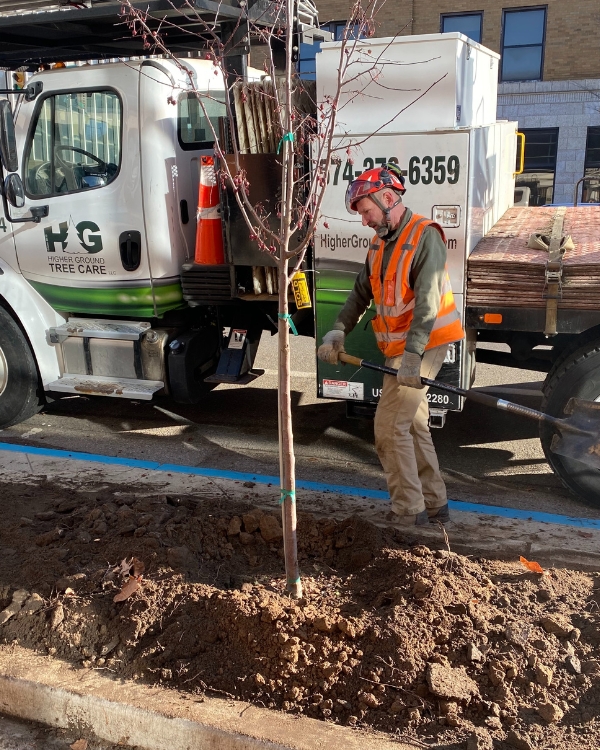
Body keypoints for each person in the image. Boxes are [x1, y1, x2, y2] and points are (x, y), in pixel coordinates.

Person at [317, 163, 464, 527]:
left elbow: (428, 303)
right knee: (412, 425)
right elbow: (359, 293)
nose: (364, 220)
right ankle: (435, 505)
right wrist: (338, 330)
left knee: (387, 427)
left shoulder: (424, 235)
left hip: (424, 344)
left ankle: (408, 511)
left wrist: (413, 355)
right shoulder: (380, 244)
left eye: (366, 211)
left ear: (387, 198)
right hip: (401, 349)